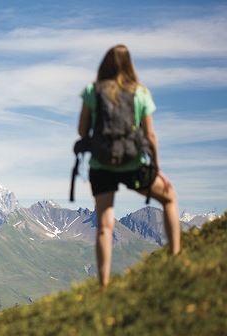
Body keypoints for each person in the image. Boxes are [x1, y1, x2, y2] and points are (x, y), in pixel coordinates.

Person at [77, 44, 181, 288]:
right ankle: (176, 257)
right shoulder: (140, 93)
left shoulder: (92, 91)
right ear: (130, 65)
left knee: (104, 224)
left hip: (101, 164)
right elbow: (151, 135)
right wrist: (155, 167)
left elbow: (82, 131)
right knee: (169, 198)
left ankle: (104, 285)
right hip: (132, 163)